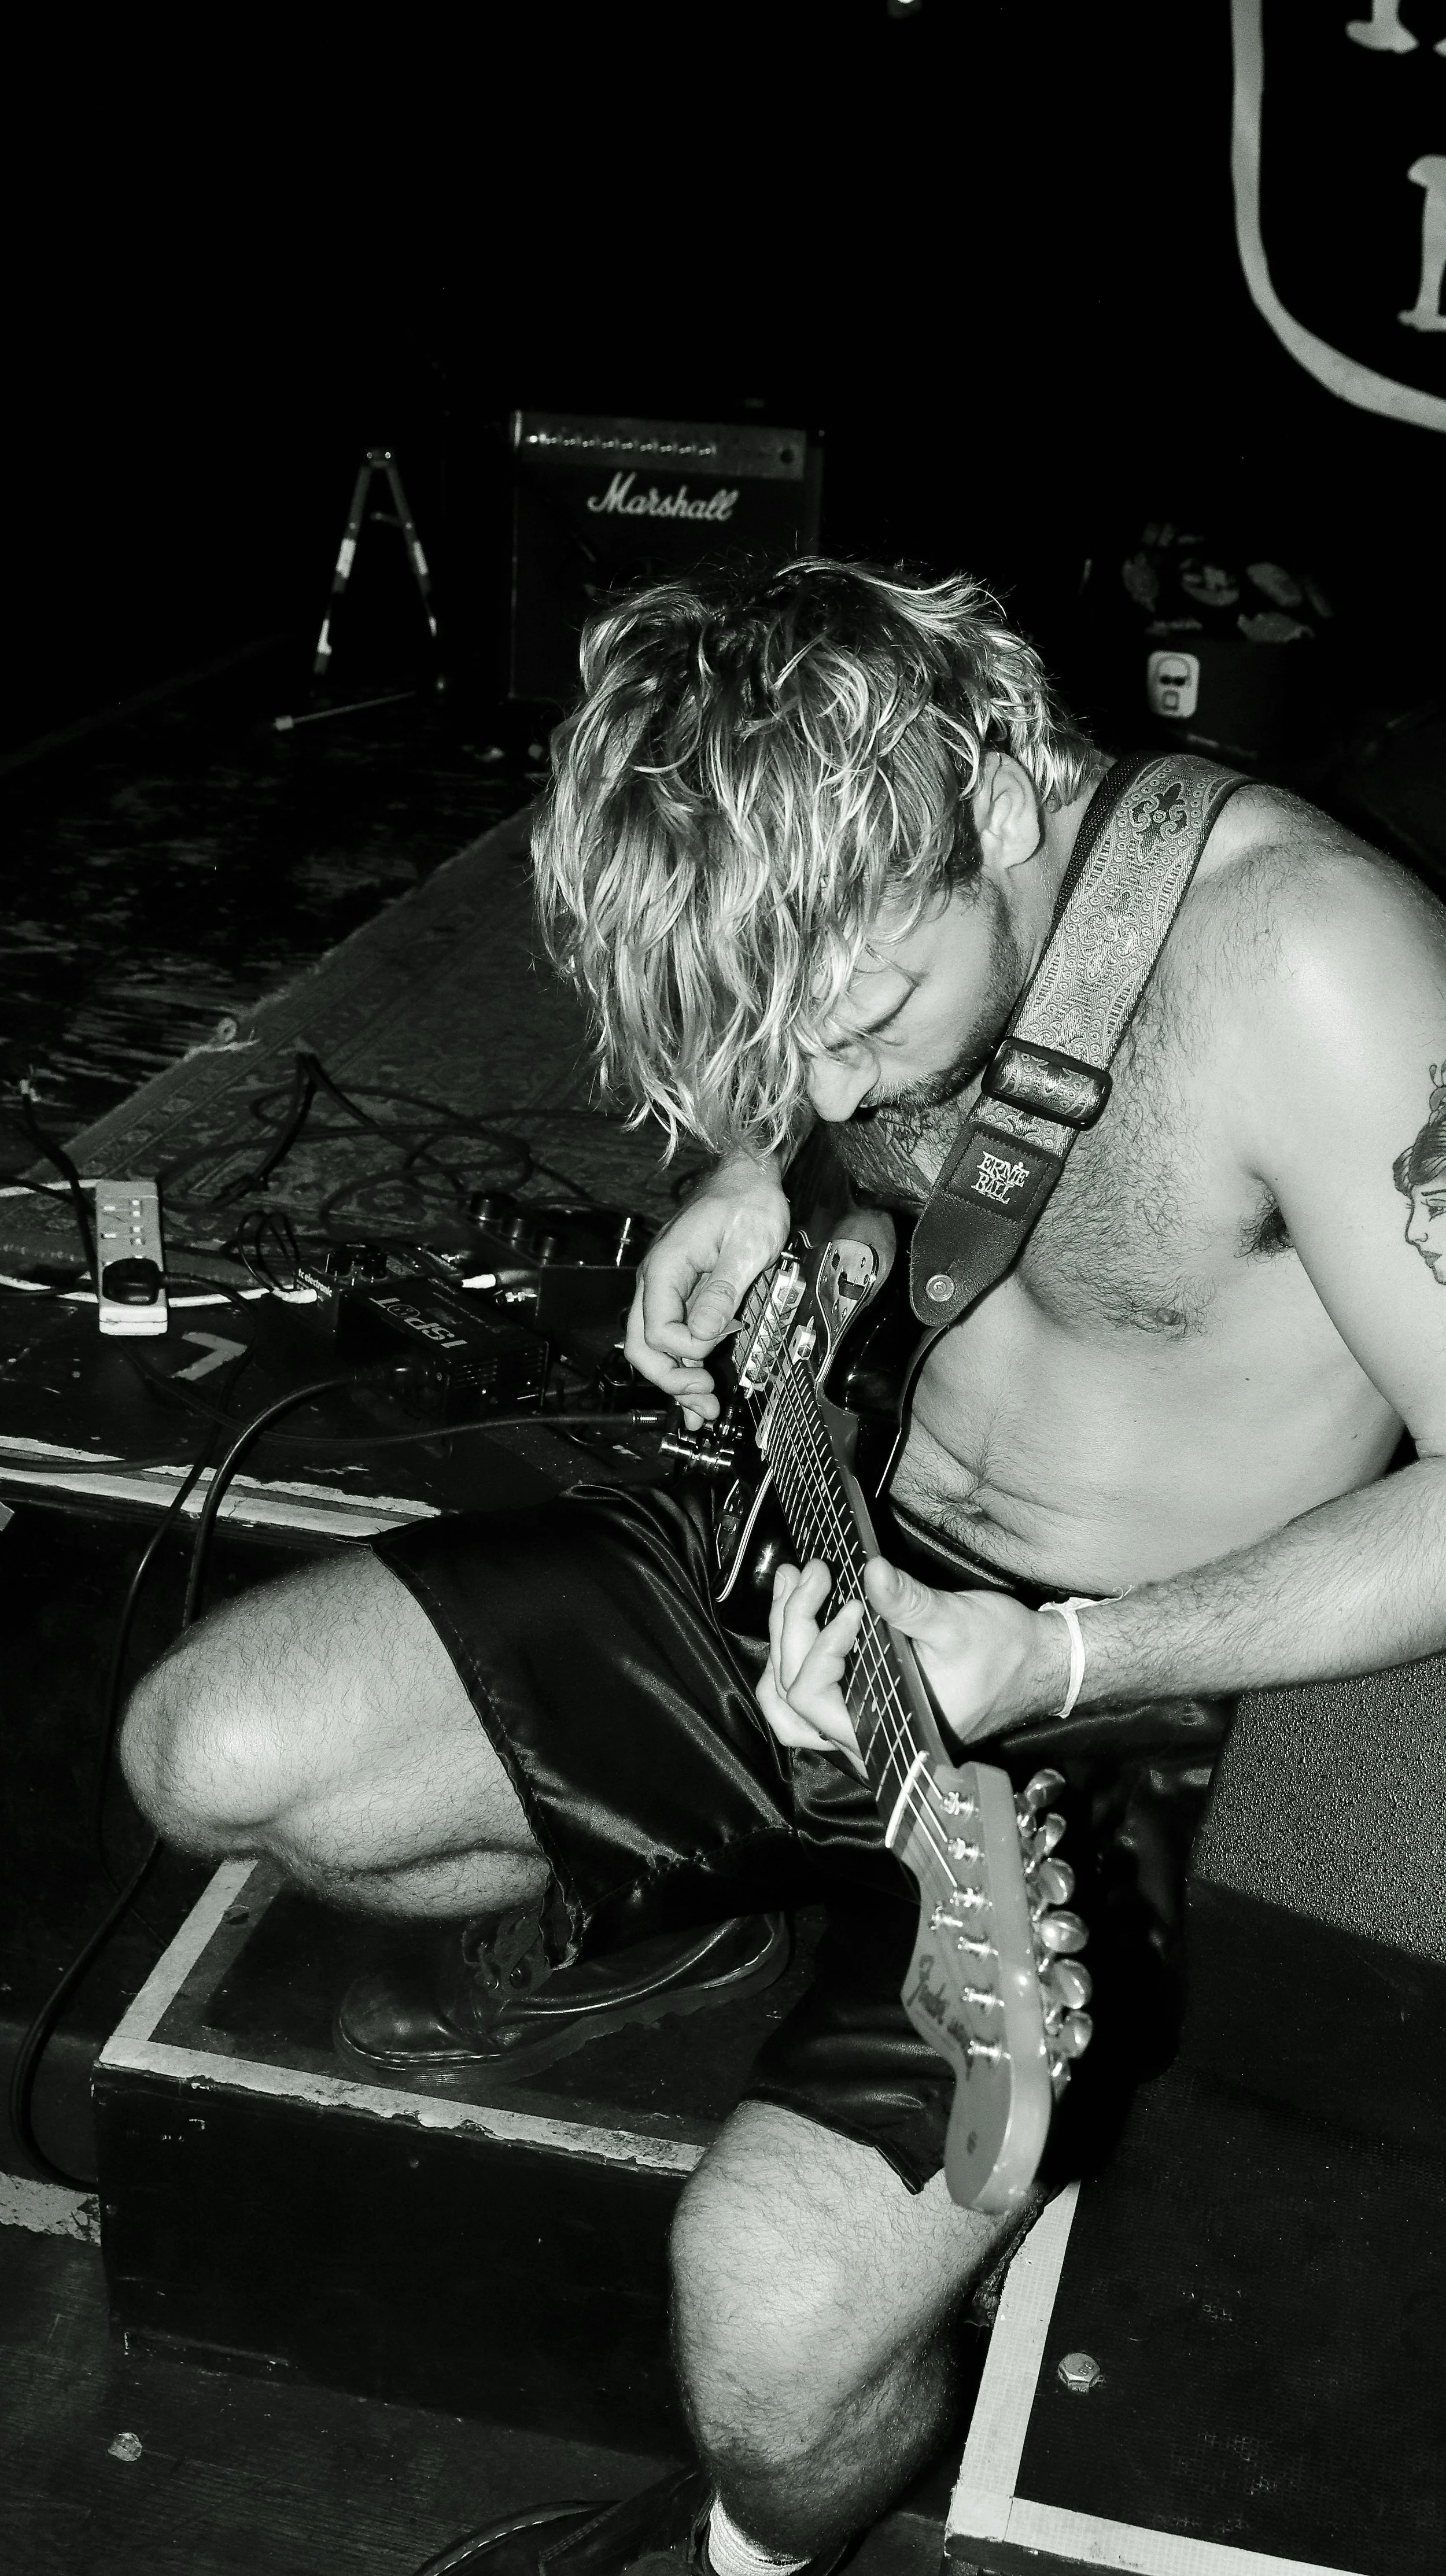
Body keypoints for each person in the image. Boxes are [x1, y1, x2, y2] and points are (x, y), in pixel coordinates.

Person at [120, 559, 1446, 2576]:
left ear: (998, 788)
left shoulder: (1320, 971)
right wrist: (751, 1181)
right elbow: (819, 1082)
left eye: (858, 1023)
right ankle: (741, 1884)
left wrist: (1057, 1654)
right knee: (210, 1750)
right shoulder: (879, 921)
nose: (834, 1091)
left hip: (1113, 1701)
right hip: (814, 1549)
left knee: (764, 2351)